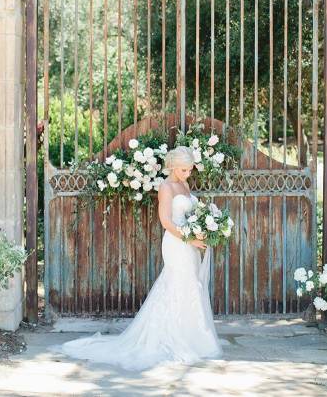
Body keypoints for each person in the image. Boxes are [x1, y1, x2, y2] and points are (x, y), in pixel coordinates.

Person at [49, 145, 224, 371]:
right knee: (176, 284)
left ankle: (193, 337)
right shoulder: (166, 187)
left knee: (191, 285)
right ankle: (169, 338)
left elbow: (190, 214)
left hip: (189, 243)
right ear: (172, 166)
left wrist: (204, 227)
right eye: (183, 170)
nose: (187, 174)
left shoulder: (184, 184)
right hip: (176, 243)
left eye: (190, 170)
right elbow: (166, 222)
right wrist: (189, 238)